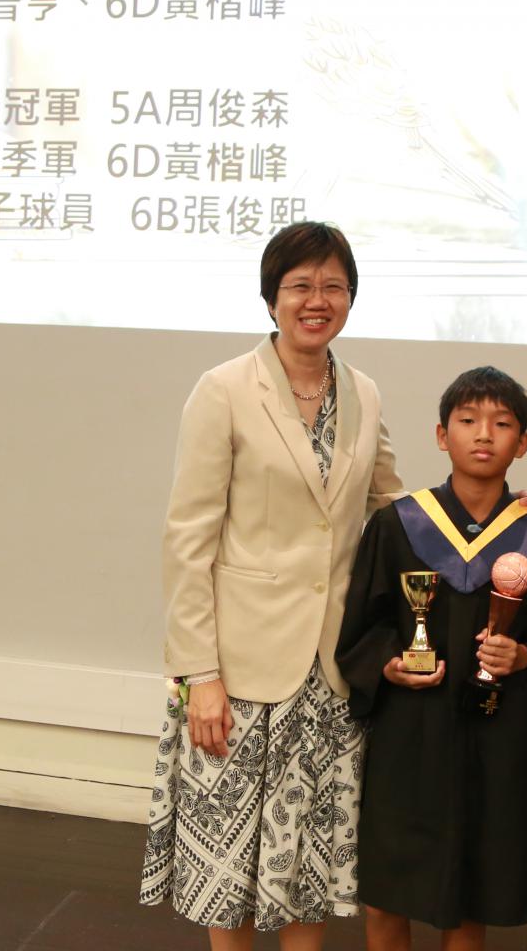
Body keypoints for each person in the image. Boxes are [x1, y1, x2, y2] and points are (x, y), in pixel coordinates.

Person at [140, 222, 404, 950]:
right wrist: (199, 674)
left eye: (333, 286)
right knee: (230, 870)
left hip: (330, 669)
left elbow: (390, 507)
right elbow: (188, 538)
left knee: (307, 864)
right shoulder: (224, 389)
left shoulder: (364, 393)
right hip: (240, 668)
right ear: (271, 299)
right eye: (300, 286)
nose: (317, 301)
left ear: (350, 298)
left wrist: (491, 517)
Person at [336, 367, 527, 951]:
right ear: (441, 435)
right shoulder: (398, 525)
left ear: (523, 443)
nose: (484, 434)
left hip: (495, 734)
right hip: (409, 730)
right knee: (389, 882)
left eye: (502, 424)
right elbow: (364, 625)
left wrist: (523, 656)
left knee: (472, 886)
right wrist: (388, 664)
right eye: (468, 420)